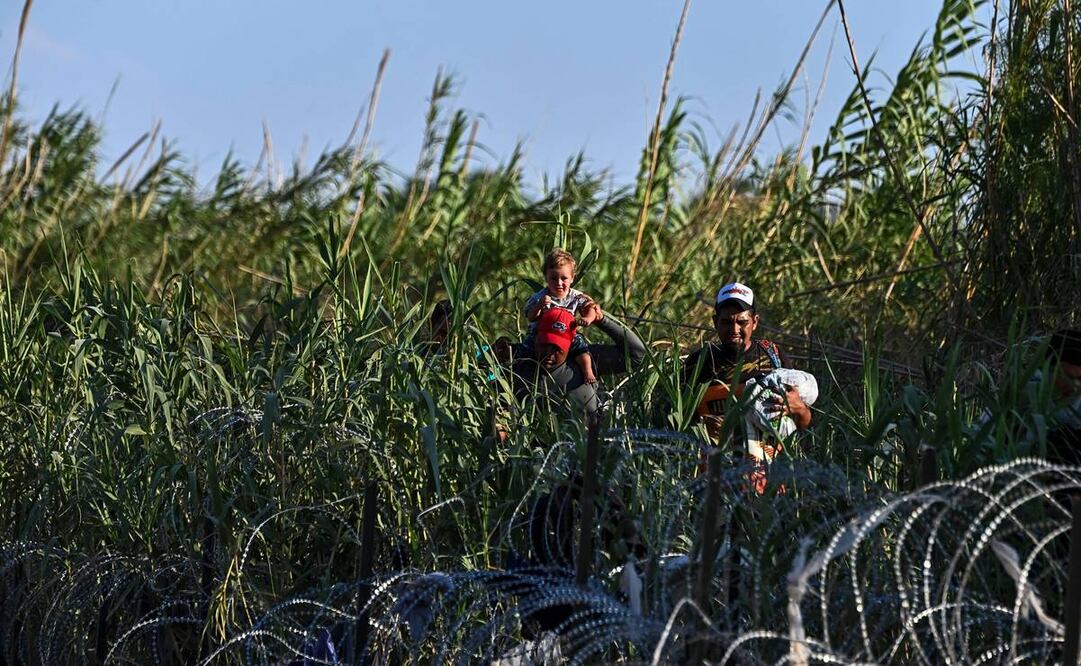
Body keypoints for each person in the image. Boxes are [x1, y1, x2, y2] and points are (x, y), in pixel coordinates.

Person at [682, 282, 812, 492]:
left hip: (768, 478)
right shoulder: (701, 362)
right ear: (715, 322)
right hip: (716, 478)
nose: (734, 330)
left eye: (742, 322)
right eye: (726, 322)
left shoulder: (774, 357)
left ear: (755, 322)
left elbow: (805, 423)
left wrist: (799, 409)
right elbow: (677, 417)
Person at [511, 300, 645, 423]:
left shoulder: (585, 361)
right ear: (535, 339)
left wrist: (602, 320)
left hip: (588, 445)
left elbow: (637, 355)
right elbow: (491, 376)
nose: (548, 354)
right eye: (544, 345)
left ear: (570, 345)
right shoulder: (518, 361)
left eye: (557, 349)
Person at [522, 249, 599, 384]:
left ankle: (588, 371)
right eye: (553, 278)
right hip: (542, 333)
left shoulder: (576, 296)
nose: (558, 283)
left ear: (572, 277)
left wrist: (588, 318)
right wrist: (539, 306)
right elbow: (530, 317)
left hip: (566, 334)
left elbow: (590, 308)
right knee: (526, 349)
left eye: (564, 278)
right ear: (546, 277)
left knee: (581, 348)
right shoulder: (539, 297)